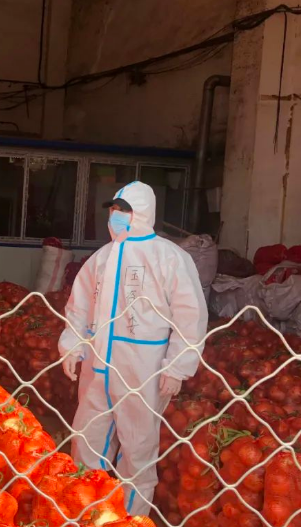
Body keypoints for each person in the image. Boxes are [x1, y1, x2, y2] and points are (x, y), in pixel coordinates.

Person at [59, 181, 207, 516]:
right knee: (86, 441)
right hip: (97, 367)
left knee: (137, 452)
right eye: (113, 209)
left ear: (141, 213)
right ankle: (87, 515)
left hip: (143, 369)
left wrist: (177, 365)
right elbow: (78, 306)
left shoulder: (169, 257)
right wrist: (72, 344)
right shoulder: (101, 257)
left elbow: (190, 314)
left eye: (123, 210)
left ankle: (130, 519)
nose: (115, 215)